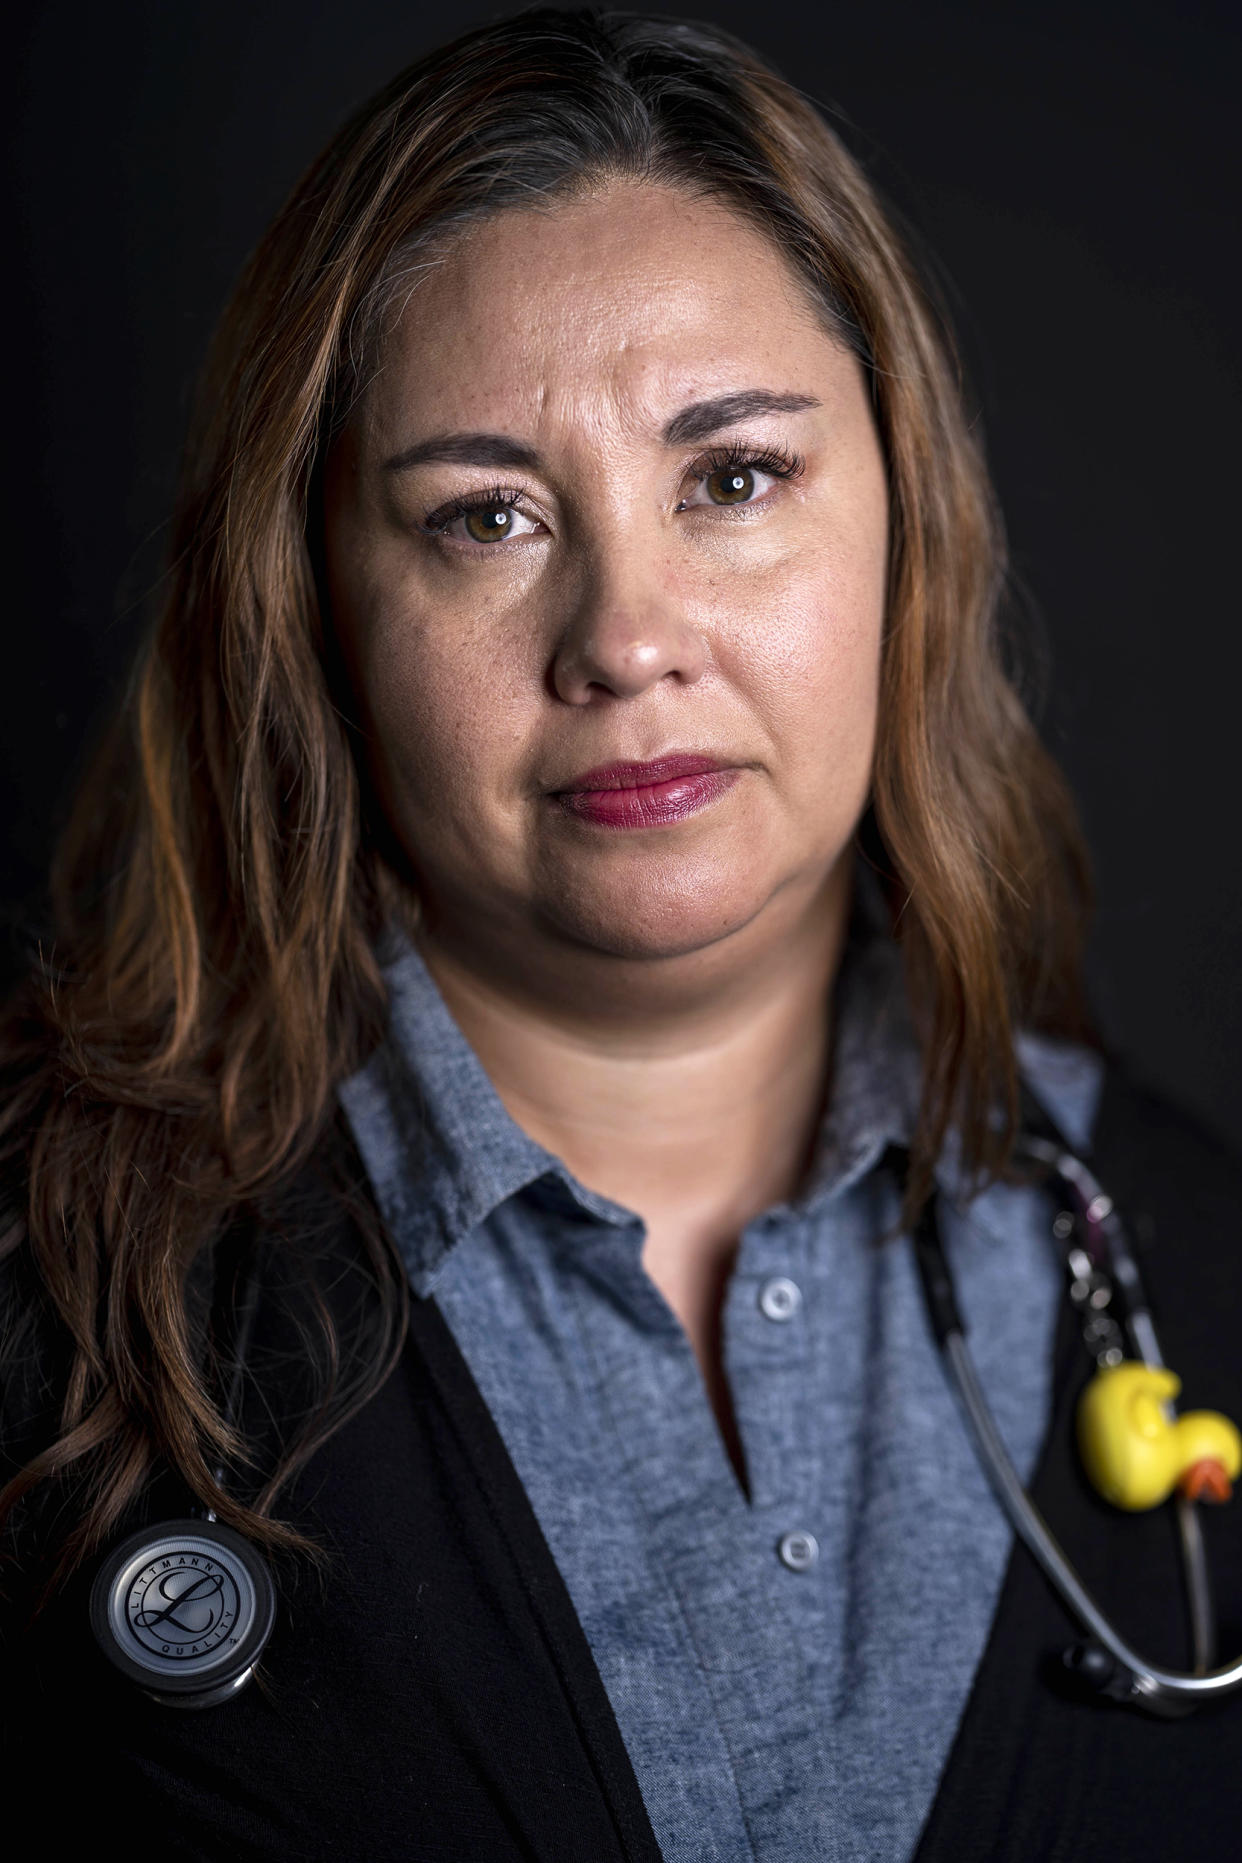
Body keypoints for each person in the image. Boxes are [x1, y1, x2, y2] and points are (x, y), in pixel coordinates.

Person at [2, 7, 1239, 1858]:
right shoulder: (43, 1305)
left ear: (909, 526)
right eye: (486, 517)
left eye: (733, 478)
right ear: (317, 610)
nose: (624, 636)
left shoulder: (1198, 1246)